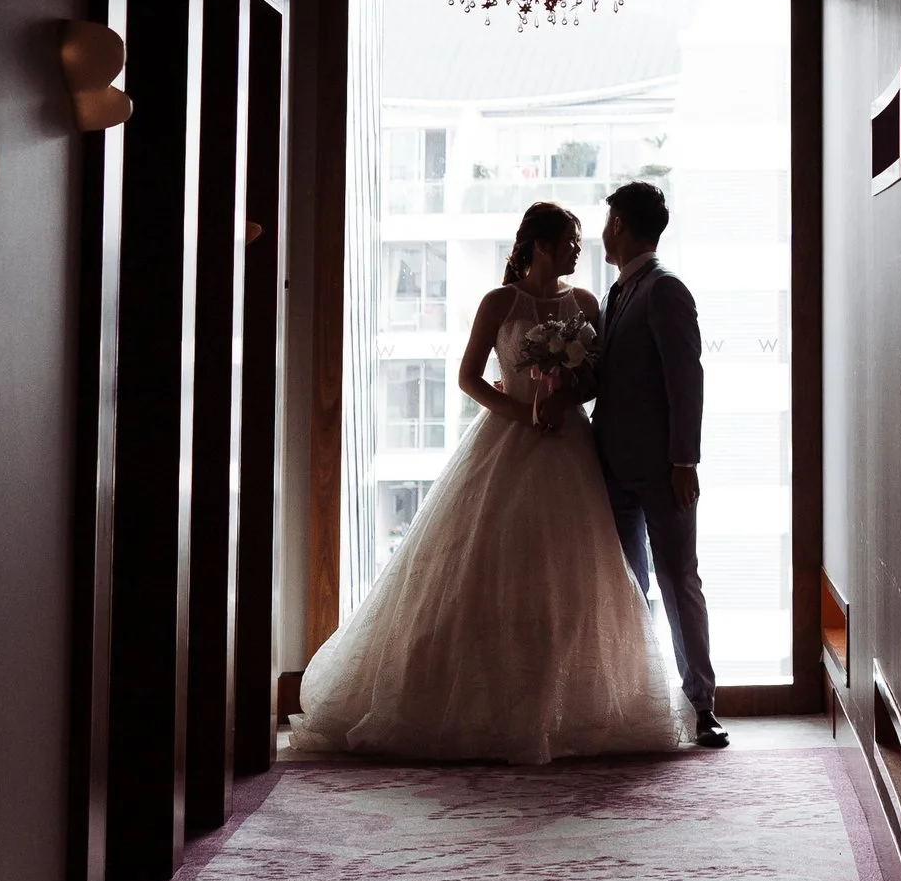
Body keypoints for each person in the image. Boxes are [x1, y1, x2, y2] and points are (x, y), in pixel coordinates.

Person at [289, 199, 689, 764]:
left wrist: (565, 398)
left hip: (570, 444)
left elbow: (600, 375)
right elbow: (468, 377)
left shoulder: (585, 304)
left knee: (574, 570)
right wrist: (521, 410)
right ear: (542, 245)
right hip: (507, 438)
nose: (580, 249)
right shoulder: (500, 302)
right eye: (571, 241)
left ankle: (571, 701)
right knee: (489, 564)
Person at [587, 180, 728, 746]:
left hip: (662, 471)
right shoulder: (614, 294)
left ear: (618, 224)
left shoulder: (665, 290)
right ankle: (639, 701)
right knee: (628, 586)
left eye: (605, 222)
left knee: (677, 579)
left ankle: (702, 705)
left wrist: (684, 462)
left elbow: (686, 381)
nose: (601, 232)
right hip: (609, 468)